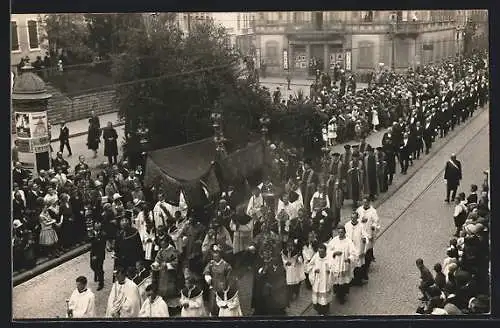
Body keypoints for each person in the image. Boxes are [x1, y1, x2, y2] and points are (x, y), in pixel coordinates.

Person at [327, 225, 357, 304]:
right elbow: (328, 250)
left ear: (345, 232)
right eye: (339, 232)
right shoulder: (334, 240)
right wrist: (334, 253)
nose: (340, 234)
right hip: (336, 264)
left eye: (342, 232)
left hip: (344, 264)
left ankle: (342, 296)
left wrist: (349, 258)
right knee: (336, 281)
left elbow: (353, 252)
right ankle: (337, 292)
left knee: (343, 282)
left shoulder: (348, 241)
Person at [154, 236, 181, 309]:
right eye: (161, 244)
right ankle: (164, 306)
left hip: (171, 273)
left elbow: (176, 262)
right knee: (162, 289)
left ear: (167, 242)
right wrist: (156, 264)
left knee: (170, 289)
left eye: (163, 244)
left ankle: (172, 307)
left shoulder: (173, 250)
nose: (162, 245)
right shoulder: (161, 250)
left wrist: (167, 264)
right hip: (162, 273)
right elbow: (158, 259)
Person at [204, 249, 233, 316]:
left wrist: (227, 285)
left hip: (222, 285)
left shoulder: (225, 264)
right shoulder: (211, 264)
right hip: (213, 285)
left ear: (220, 255)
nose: (215, 255)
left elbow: (229, 275)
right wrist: (207, 277)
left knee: (221, 302)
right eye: (214, 254)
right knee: (212, 302)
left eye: (217, 253)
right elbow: (206, 271)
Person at [307, 243, 333, 315]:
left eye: (322, 252)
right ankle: (319, 310)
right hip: (317, 280)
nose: (320, 253)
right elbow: (309, 265)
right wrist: (314, 270)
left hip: (325, 280)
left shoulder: (329, 258)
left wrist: (330, 271)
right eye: (319, 252)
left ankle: (325, 311)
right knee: (317, 298)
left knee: (325, 298)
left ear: (325, 251)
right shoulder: (316, 256)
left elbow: (334, 267)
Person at [345, 211, 369, 285]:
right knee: (350, 264)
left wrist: (365, 239)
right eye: (352, 218)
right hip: (350, 247)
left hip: (358, 247)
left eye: (354, 218)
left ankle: (358, 280)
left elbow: (365, 234)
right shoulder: (347, 225)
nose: (353, 219)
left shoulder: (361, 226)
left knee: (358, 264)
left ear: (357, 218)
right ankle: (350, 280)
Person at [89, 221, 107, 291]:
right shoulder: (92, 233)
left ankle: (101, 283)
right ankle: (98, 273)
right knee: (92, 266)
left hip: (100, 254)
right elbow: (89, 241)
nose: (96, 227)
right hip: (93, 253)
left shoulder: (103, 234)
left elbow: (102, 247)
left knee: (99, 268)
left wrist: (97, 256)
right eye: (95, 226)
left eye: (98, 226)